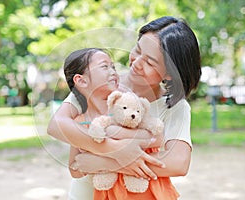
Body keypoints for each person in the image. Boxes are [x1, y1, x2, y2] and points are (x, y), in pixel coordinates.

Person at [48, 16, 201, 199]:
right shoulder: (100, 82)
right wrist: (115, 150)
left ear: (169, 74)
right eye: (137, 50)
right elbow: (56, 125)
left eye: (150, 62)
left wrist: (106, 162)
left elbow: (178, 163)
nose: (136, 64)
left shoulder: (174, 106)